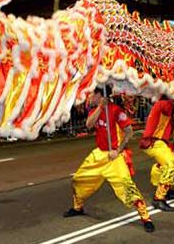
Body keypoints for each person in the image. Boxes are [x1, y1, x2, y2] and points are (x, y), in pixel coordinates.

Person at [64, 88, 155, 233]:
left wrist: (118, 150)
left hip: (114, 157)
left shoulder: (116, 111)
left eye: (92, 94)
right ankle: (77, 207)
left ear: (100, 94)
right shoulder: (95, 109)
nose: (90, 97)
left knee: (127, 187)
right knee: (78, 180)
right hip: (98, 155)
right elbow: (88, 125)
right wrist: (100, 107)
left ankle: (146, 217)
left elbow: (129, 131)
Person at [139, 94, 174, 212]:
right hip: (153, 141)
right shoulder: (164, 104)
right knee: (172, 165)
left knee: (165, 165)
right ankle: (158, 198)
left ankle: (167, 190)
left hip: (160, 142)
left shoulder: (170, 107)